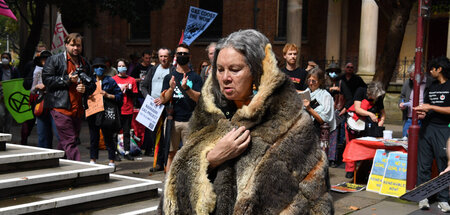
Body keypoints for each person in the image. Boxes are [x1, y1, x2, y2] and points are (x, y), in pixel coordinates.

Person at [162, 29, 332, 214]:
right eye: (220, 69)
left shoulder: (293, 125)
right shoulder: (206, 118)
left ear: (257, 71)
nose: (225, 77)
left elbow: (316, 200)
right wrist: (210, 159)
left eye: (235, 70)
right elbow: (173, 193)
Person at [42, 33, 97, 161]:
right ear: (66, 45)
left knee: (66, 142)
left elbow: (92, 85)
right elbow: (47, 80)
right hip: (60, 107)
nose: (75, 48)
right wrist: (67, 80)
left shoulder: (84, 63)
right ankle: (79, 170)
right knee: (70, 140)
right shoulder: (55, 60)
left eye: (78, 45)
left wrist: (85, 89)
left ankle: (54, 164)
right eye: (72, 45)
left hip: (77, 109)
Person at [155, 43, 203, 172]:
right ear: (175, 56)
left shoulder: (196, 77)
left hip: (190, 121)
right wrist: (171, 88)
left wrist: (186, 88)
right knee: (171, 154)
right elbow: (163, 99)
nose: (182, 56)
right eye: (180, 53)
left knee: (190, 155)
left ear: (190, 57)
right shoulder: (169, 77)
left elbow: (199, 98)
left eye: (185, 54)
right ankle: (169, 183)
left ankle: (188, 184)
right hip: (173, 121)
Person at [414, 56, 450, 212]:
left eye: (432, 69)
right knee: (424, 165)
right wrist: (423, 113)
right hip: (427, 128)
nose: (430, 72)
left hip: (443, 129)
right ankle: (423, 196)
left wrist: (431, 107)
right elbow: (428, 107)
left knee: (443, 165)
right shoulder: (431, 86)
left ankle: (444, 199)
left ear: (439, 69)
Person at [344, 81, 386, 178]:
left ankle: (366, 169)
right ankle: (350, 169)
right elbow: (357, 108)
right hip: (355, 121)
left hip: (369, 125)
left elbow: (382, 112)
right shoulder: (361, 91)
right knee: (351, 144)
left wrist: (382, 120)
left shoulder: (378, 97)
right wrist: (370, 114)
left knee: (368, 146)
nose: (374, 99)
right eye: (373, 96)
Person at [141, 47, 173, 172]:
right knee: (155, 136)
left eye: (165, 56)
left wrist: (164, 99)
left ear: (169, 57)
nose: (163, 59)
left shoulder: (173, 70)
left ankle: (167, 163)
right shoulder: (153, 70)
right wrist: (148, 99)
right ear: (158, 57)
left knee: (167, 136)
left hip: (167, 108)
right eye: (161, 56)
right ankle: (158, 163)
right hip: (153, 107)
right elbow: (143, 86)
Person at [87, 58, 123, 169]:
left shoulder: (110, 81)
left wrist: (107, 95)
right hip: (93, 112)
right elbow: (83, 95)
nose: (99, 69)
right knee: (94, 137)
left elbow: (119, 96)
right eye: (97, 67)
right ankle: (93, 159)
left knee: (108, 137)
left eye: (102, 67)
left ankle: (111, 161)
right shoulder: (89, 81)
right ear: (93, 69)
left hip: (106, 113)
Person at [29, 50, 59, 148]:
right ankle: (44, 156)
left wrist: (48, 87)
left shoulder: (57, 71)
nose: (45, 61)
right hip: (41, 105)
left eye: (48, 59)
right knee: (42, 134)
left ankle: (64, 156)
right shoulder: (37, 72)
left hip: (55, 105)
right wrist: (38, 87)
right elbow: (32, 90)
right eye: (43, 59)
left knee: (58, 134)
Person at [326, 63, 351, 167]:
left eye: (335, 71)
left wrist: (344, 110)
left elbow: (350, 98)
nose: (333, 74)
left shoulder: (342, 83)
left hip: (337, 112)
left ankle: (332, 159)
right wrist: (329, 90)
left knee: (334, 137)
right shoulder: (326, 84)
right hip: (326, 112)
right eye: (331, 71)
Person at [113, 59, 138, 161]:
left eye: (123, 65)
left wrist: (128, 91)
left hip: (128, 109)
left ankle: (127, 152)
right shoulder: (113, 79)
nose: (121, 67)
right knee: (115, 132)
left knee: (127, 132)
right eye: (119, 65)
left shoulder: (132, 80)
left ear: (126, 67)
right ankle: (114, 152)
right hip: (117, 110)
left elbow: (135, 95)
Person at [398, 63, 432, 137]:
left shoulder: (430, 83)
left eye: (413, 77)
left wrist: (427, 113)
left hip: (425, 120)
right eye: (410, 77)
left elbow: (434, 103)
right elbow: (402, 96)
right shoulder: (408, 82)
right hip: (409, 119)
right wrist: (401, 103)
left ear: (421, 74)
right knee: (405, 141)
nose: (411, 79)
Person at [303, 67, 336, 134]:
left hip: (319, 133)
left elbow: (323, 120)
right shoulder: (306, 93)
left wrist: (309, 108)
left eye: (314, 81)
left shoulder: (325, 96)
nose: (311, 83)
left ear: (320, 82)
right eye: (309, 80)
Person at [0, 52, 20, 133]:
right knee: (1, 115)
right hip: (1, 96)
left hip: (11, 96)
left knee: (9, 117)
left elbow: (18, 82)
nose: (5, 59)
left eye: (6, 58)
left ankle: (7, 133)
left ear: (10, 60)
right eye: (3, 58)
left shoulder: (14, 70)